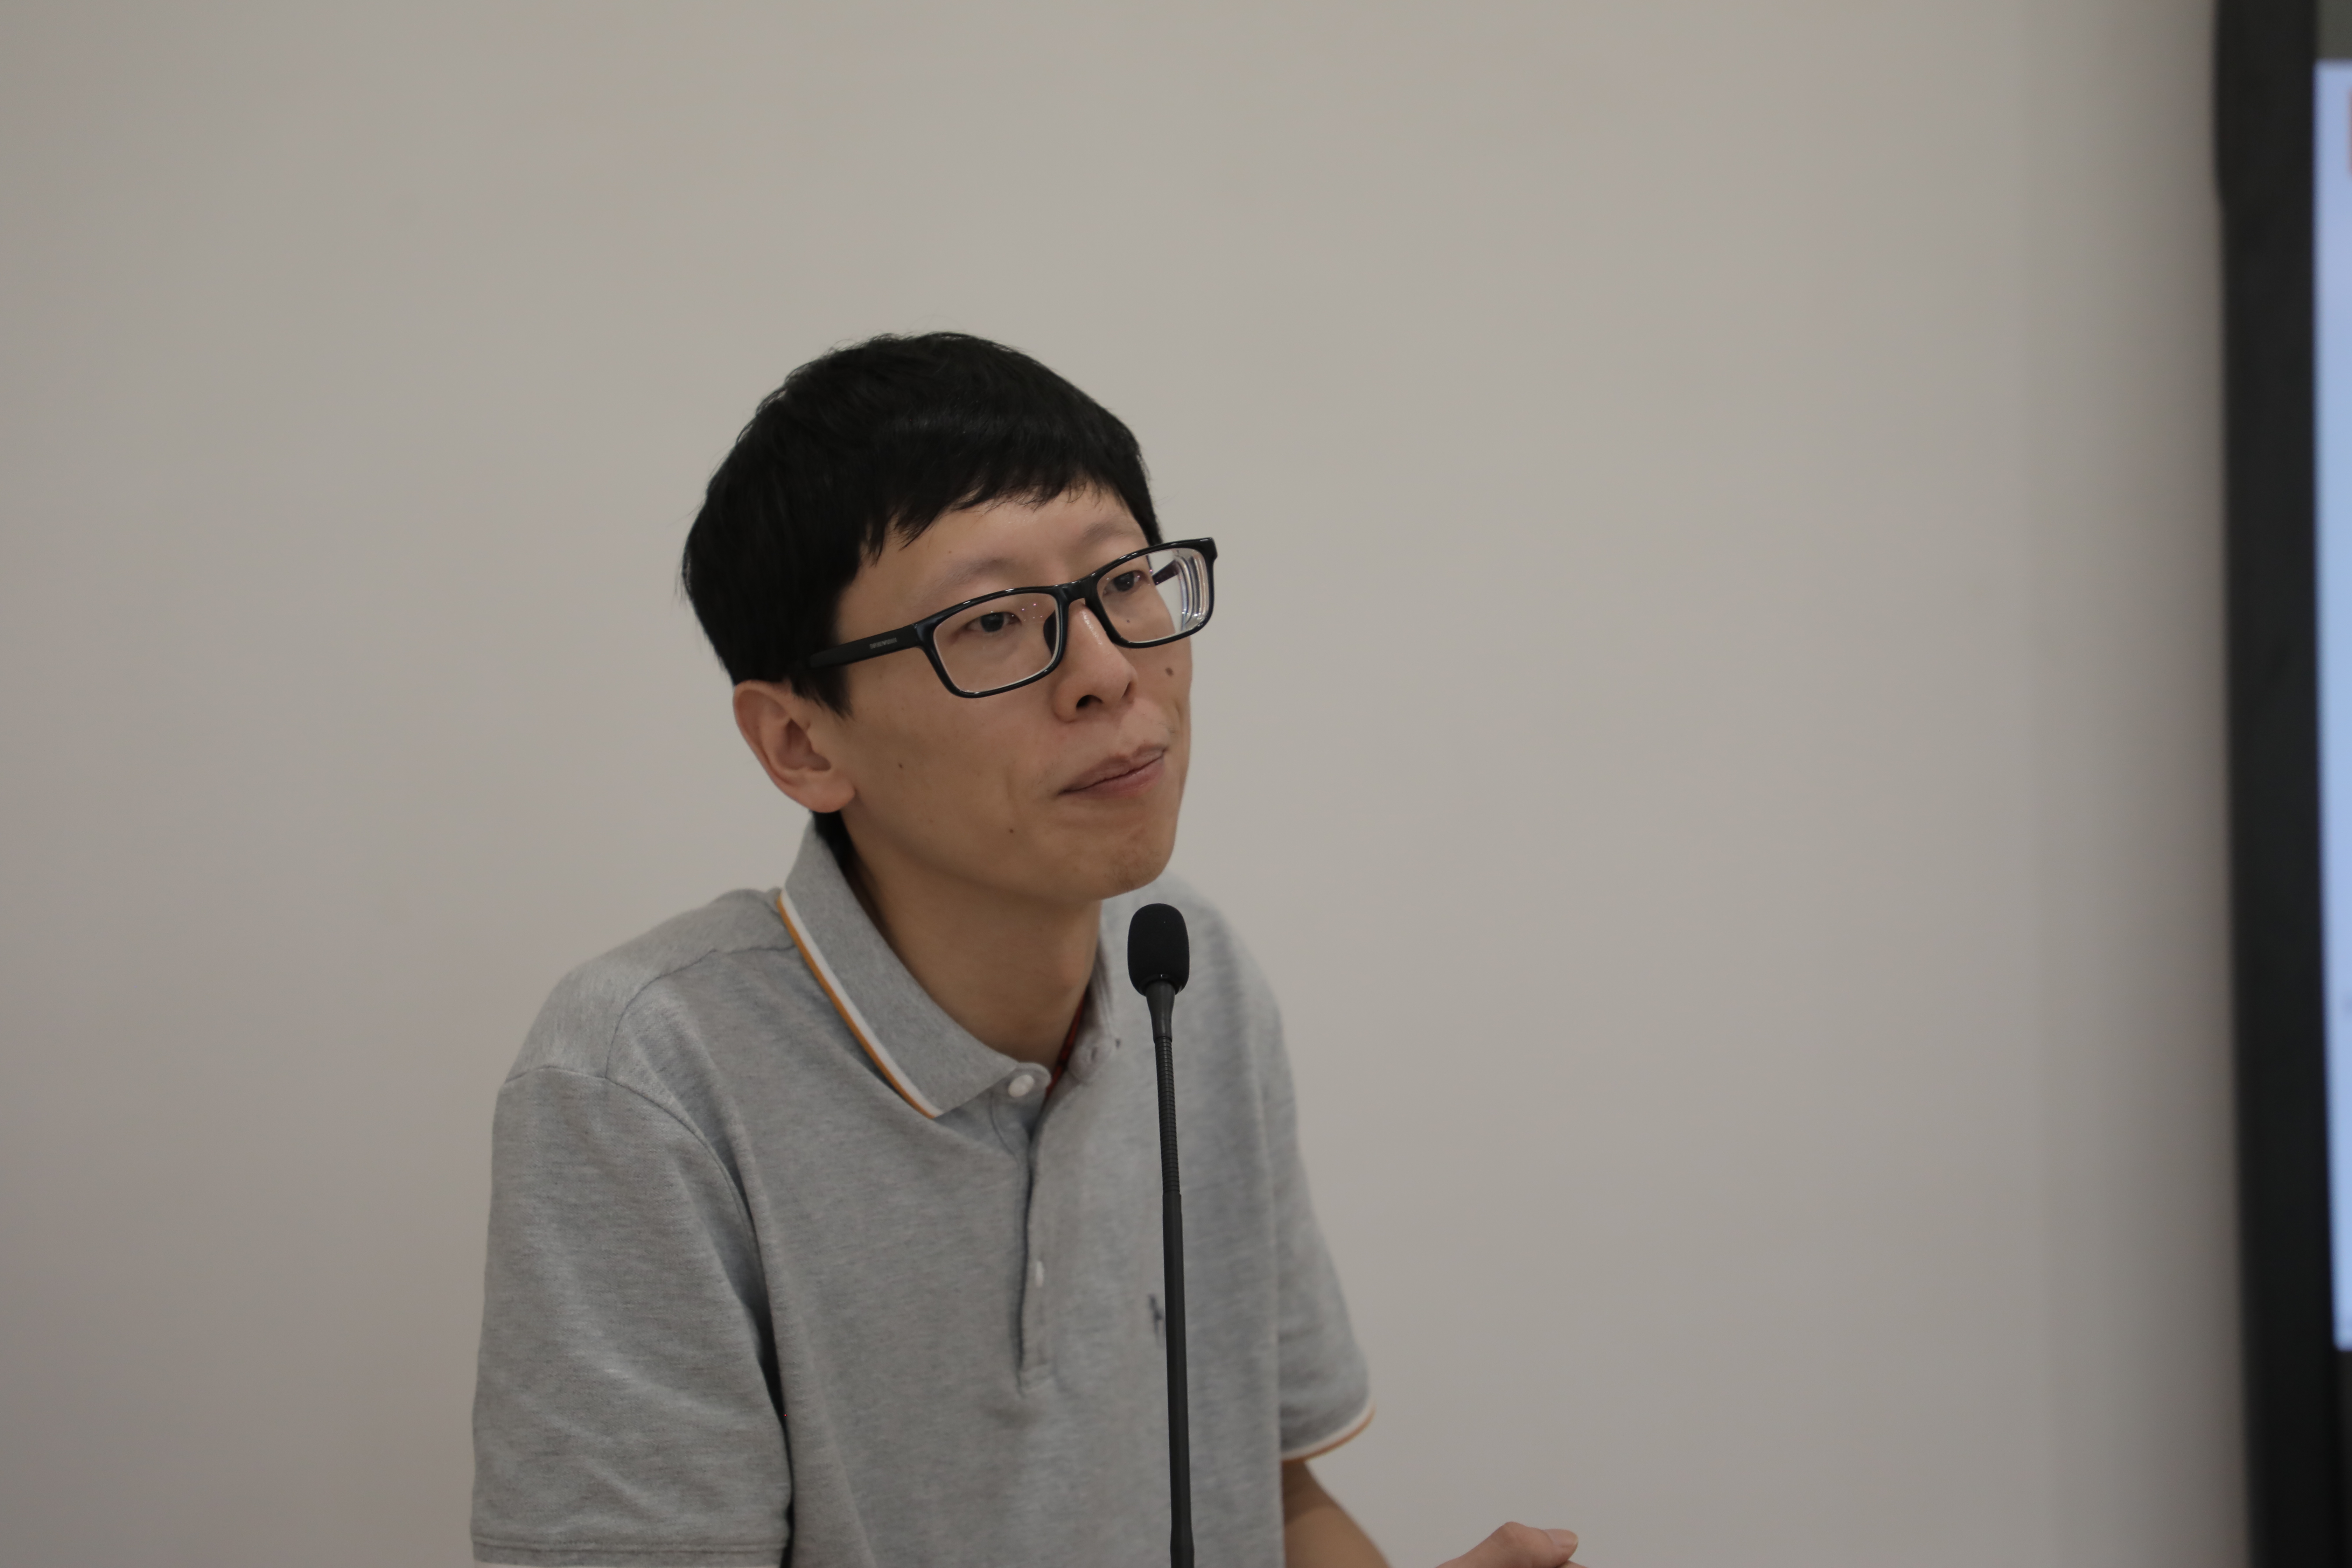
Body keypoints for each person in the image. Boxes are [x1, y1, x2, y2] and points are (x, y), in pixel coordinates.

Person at [469, 332, 1583, 1568]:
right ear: (801, 742)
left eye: (1126, 583)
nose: (1108, 672)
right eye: (995, 621)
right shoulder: (641, 1082)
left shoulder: (1188, 975)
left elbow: (1271, 1495)